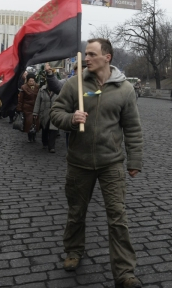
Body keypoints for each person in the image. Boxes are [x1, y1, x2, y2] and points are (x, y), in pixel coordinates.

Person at [50, 38, 143, 288]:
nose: (86, 58)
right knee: (76, 212)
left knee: (117, 216)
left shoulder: (124, 89)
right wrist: (71, 118)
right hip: (79, 162)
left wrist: (134, 160)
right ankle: (73, 250)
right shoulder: (74, 84)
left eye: (91, 54)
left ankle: (124, 272)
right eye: (85, 54)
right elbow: (55, 112)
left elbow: (132, 128)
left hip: (111, 163)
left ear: (107, 57)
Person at [33, 78, 58, 153]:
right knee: (45, 128)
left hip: (55, 113)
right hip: (44, 112)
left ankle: (52, 147)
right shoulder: (42, 90)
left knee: (53, 130)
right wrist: (35, 113)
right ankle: (45, 142)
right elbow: (38, 102)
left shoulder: (58, 90)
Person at [16, 73, 40, 142]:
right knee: (29, 122)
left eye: (32, 81)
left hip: (36, 107)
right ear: (27, 81)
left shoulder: (37, 87)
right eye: (30, 81)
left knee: (35, 122)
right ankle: (30, 136)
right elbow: (20, 99)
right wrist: (19, 108)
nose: (31, 82)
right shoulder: (24, 87)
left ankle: (34, 135)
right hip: (27, 108)